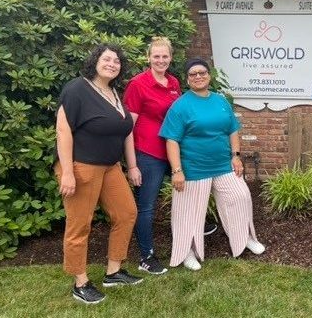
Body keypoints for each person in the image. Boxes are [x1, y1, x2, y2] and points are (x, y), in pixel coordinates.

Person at [54, 44, 142, 304]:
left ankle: (113, 272)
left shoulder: (113, 92)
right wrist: (68, 172)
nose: (112, 64)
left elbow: (125, 131)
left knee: (126, 213)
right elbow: (63, 130)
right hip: (82, 166)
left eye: (116, 61)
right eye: (107, 59)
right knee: (79, 225)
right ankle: (80, 282)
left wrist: (131, 165)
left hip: (110, 167)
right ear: (95, 61)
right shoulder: (77, 89)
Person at [159, 58, 265, 271]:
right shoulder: (181, 105)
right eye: (193, 74)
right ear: (188, 79)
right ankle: (187, 253)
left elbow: (232, 130)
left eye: (202, 72)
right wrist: (177, 171)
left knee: (240, 196)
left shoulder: (220, 101)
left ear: (209, 75)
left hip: (222, 165)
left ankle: (244, 239)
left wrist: (235, 155)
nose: (198, 76)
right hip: (193, 169)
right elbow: (171, 140)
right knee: (188, 212)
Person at [123, 37, 217, 276]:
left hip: (173, 151)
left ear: (171, 58)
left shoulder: (174, 82)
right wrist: (132, 164)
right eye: (156, 56)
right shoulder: (138, 84)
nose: (161, 60)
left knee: (187, 191)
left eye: (165, 56)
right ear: (148, 58)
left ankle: (193, 230)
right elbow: (127, 127)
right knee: (146, 207)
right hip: (149, 153)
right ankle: (146, 256)